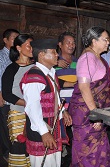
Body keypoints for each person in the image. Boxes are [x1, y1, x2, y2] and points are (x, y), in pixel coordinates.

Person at [20, 38, 72, 167]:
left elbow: (54, 98)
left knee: (54, 163)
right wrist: (44, 132)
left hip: (52, 129)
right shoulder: (34, 77)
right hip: (41, 131)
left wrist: (62, 111)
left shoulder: (50, 73)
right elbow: (32, 108)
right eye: (53, 52)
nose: (57, 55)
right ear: (42, 55)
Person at [68, 26, 110, 167]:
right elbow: (83, 87)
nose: (108, 43)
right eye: (105, 39)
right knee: (87, 154)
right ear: (94, 41)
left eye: (108, 40)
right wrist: (96, 114)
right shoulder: (87, 58)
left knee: (99, 152)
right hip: (87, 115)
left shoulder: (98, 57)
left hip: (95, 113)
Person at [2, 34, 34, 166]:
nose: (32, 48)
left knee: (32, 148)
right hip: (18, 114)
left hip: (34, 114)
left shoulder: (35, 67)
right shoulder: (12, 68)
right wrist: (28, 104)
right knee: (19, 148)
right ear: (19, 48)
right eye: (28, 45)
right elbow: (7, 94)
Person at [56, 31, 77, 167]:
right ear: (60, 45)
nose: (71, 45)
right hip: (58, 105)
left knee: (76, 135)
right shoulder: (52, 60)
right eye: (68, 42)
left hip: (75, 103)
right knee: (58, 135)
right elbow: (51, 82)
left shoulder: (77, 61)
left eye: (73, 43)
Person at [0, 29, 20, 162]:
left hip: (16, 99)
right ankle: (7, 154)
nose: (16, 41)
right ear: (5, 40)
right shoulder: (1, 56)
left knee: (15, 127)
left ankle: (15, 153)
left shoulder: (17, 56)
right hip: (4, 97)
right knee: (5, 128)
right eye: (13, 38)